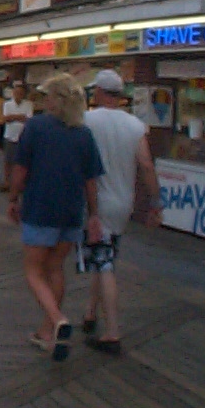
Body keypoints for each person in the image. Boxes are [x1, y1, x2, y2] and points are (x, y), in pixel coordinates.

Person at [7, 73, 104, 363]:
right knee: (55, 268)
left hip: (41, 206)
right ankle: (47, 332)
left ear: (56, 100)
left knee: (34, 270)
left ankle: (58, 319)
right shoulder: (83, 134)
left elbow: (21, 169)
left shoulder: (36, 127)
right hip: (71, 211)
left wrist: (13, 197)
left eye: (47, 96)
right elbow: (91, 180)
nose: (44, 101)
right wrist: (94, 214)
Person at [80, 70, 162, 355]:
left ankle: (112, 333)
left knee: (105, 265)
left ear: (100, 92)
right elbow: (146, 165)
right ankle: (90, 313)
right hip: (124, 203)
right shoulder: (135, 125)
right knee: (103, 254)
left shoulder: (87, 121)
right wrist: (155, 203)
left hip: (95, 202)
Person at [1, 81, 35, 192]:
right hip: (10, 136)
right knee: (8, 161)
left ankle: (19, 183)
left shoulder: (29, 104)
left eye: (21, 93)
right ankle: (7, 181)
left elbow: (28, 119)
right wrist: (20, 117)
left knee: (21, 162)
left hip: (23, 137)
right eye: (16, 92)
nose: (18, 95)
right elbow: (6, 119)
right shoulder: (7, 104)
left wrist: (13, 117)